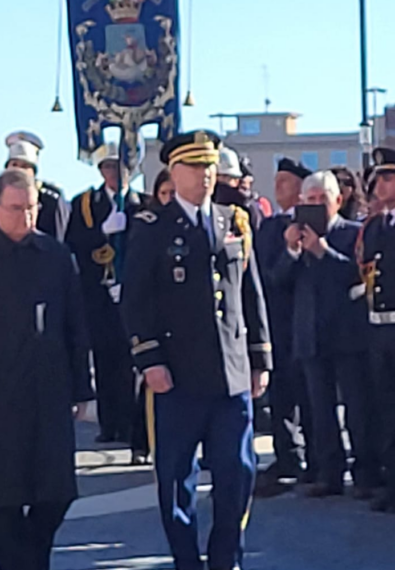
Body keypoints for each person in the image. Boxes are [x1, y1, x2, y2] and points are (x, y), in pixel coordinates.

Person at [122, 130, 272, 570]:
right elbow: (136, 301)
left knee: (238, 474)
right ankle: (187, 561)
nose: (206, 176)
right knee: (175, 481)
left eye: (210, 167)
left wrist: (260, 358)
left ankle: (226, 559)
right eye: (196, 167)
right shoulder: (152, 227)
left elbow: (250, 294)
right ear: (174, 172)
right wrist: (149, 359)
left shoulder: (233, 221)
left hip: (231, 373)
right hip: (177, 376)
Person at [0, 168, 94, 570]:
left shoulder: (56, 255)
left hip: (49, 387)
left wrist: (83, 387)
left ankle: (30, 560)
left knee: (57, 492)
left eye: (31, 209)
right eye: (15, 209)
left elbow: (74, 325)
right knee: (5, 497)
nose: (25, 217)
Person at [272, 171, 377, 499]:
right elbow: (277, 280)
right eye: (310, 200)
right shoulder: (295, 237)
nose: (316, 205)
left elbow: (355, 276)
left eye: (322, 199)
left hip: (348, 335)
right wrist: (291, 250)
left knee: (358, 410)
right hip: (310, 336)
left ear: (337, 200)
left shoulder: (354, 233)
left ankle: (366, 474)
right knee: (320, 410)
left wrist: (322, 250)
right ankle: (329, 473)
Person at [65, 142, 145, 460]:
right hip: (97, 292)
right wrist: (101, 231)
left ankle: (128, 423)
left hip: (130, 293)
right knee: (104, 356)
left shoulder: (143, 203)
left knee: (129, 361)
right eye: (109, 168)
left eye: (120, 168)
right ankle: (108, 423)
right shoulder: (85, 203)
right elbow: (73, 242)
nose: (115, 174)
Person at [253, 158, 317, 496]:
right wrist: (289, 252)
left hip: (311, 324)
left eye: (286, 181)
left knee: (313, 397)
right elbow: (267, 275)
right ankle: (287, 456)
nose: (278, 186)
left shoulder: (318, 223)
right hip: (279, 324)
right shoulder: (270, 227)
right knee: (282, 399)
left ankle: (318, 458)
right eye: (276, 180)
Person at [359, 146, 395, 513]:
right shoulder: (375, 225)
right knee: (385, 408)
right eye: (378, 179)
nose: (380, 185)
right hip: (379, 329)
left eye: (388, 177)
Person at [0, 132, 70, 242]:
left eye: (24, 166)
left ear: (33, 172)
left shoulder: (50, 201)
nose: (18, 170)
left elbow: (57, 243)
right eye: (14, 165)